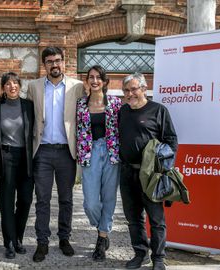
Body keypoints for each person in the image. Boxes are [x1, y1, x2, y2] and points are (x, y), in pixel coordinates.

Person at [27, 46, 85, 262]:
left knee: (66, 199)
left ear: (64, 62)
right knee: (42, 199)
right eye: (50, 61)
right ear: (45, 65)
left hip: (66, 152)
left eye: (58, 60)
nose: (54, 64)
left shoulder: (77, 87)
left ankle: (64, 238)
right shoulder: (34, 87)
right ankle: (42, 242)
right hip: (41, 151)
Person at [118, 73, 178, 270]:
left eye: (134, 89)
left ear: (144, 89)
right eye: (126, 90)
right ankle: (140, 254)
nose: (130, 94)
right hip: (127, 173)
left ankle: (159, 258)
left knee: (156, 219)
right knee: (133, 218)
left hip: (151, 175)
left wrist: (163, 169)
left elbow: (171, 141)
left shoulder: (158, 110)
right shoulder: (123, 111)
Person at [0, 72, 35, 259]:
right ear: (3, 87)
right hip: (5, 157)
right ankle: (10, 243)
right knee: (6, 202)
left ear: (19, 86)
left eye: (15, 83)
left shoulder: (29, 106)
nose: (12, 86)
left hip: (26, 158)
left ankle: (18, 237)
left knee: (25, 200)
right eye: (8, 83)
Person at [76, 65, 122, 262]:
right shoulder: (80, 104)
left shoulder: (116, 103)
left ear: (104, 81)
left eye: (98, 77)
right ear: (87, 81)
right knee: (91, 202)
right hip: (89, 153)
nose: (94, 81)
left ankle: (102, 239)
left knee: (109, 197)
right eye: (91, 77)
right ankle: (101, 225)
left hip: (112, 153)